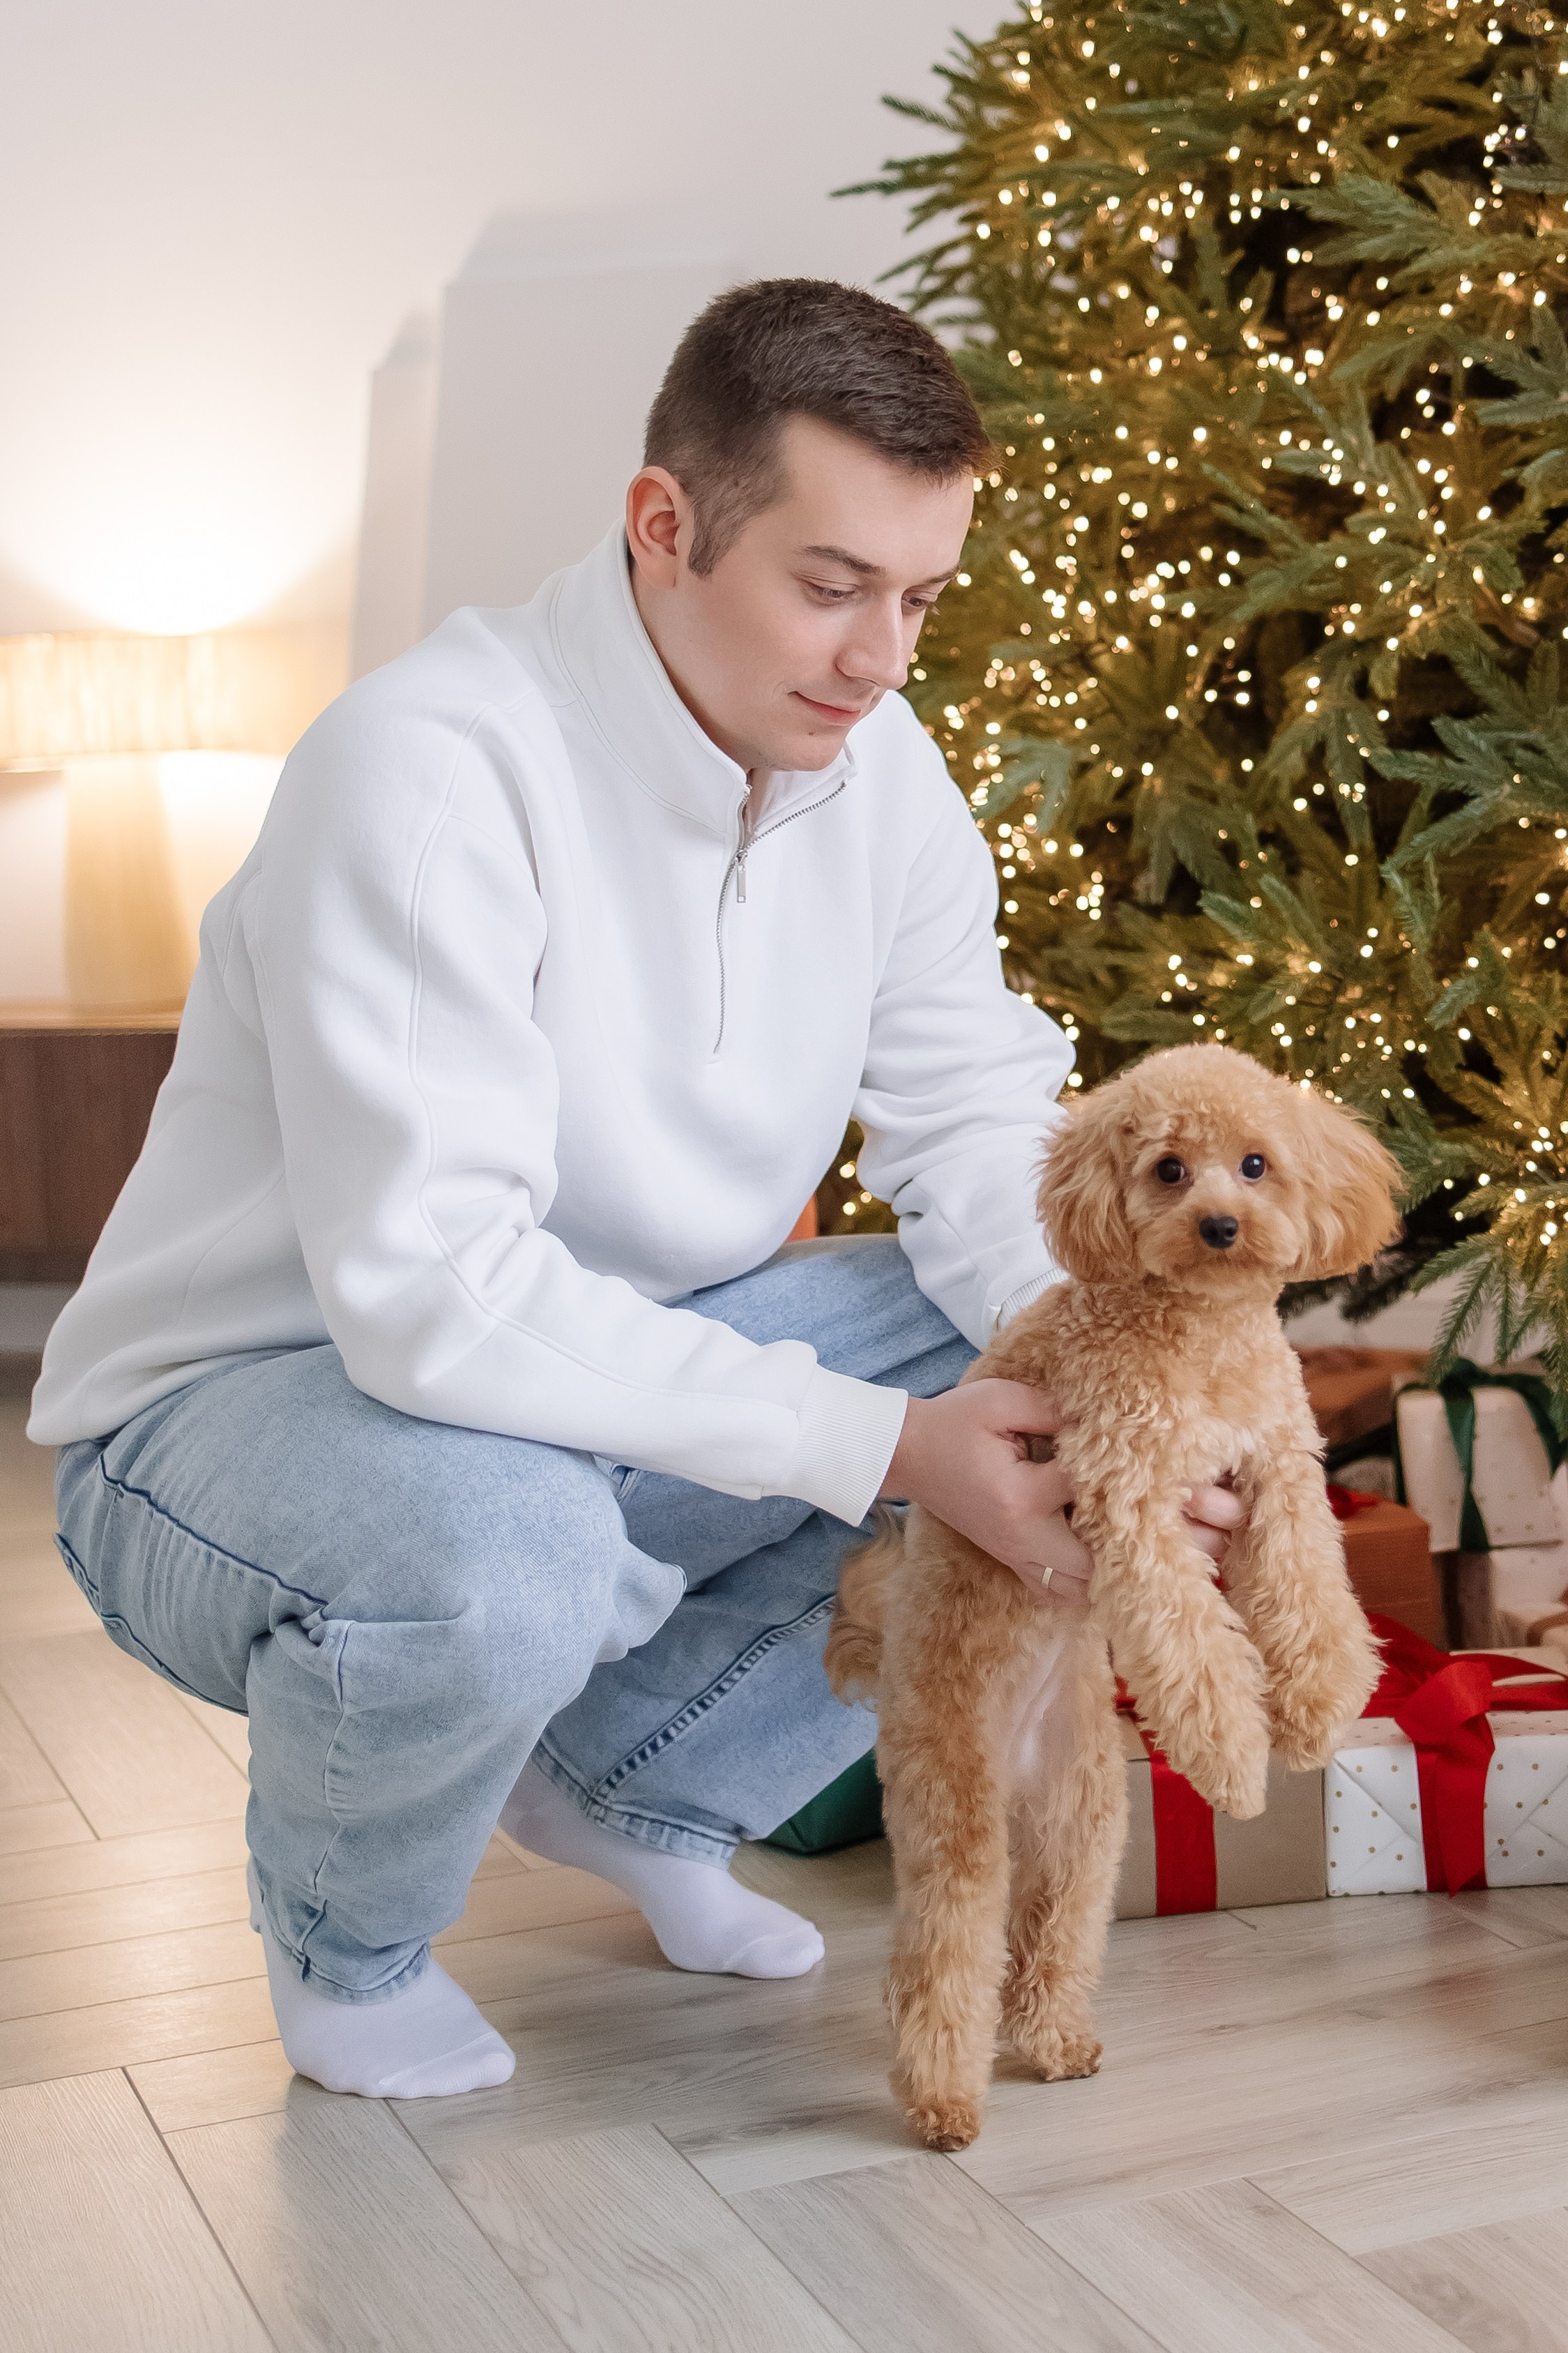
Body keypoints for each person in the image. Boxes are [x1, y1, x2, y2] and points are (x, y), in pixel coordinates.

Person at [29, 279, 1241, 2100]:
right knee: (508, 1550)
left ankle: (627, 1784)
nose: (878, 656)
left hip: (601, 1378)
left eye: (918, 598)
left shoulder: (876, 769)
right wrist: (894, 1451)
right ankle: (346, 1948)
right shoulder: (427, 772)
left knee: (1076, 1342)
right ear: (662, 526)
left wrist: (1142, 1406)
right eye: (828, 587)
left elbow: (973, 1118)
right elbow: (433, 1297)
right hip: (230, 1427)